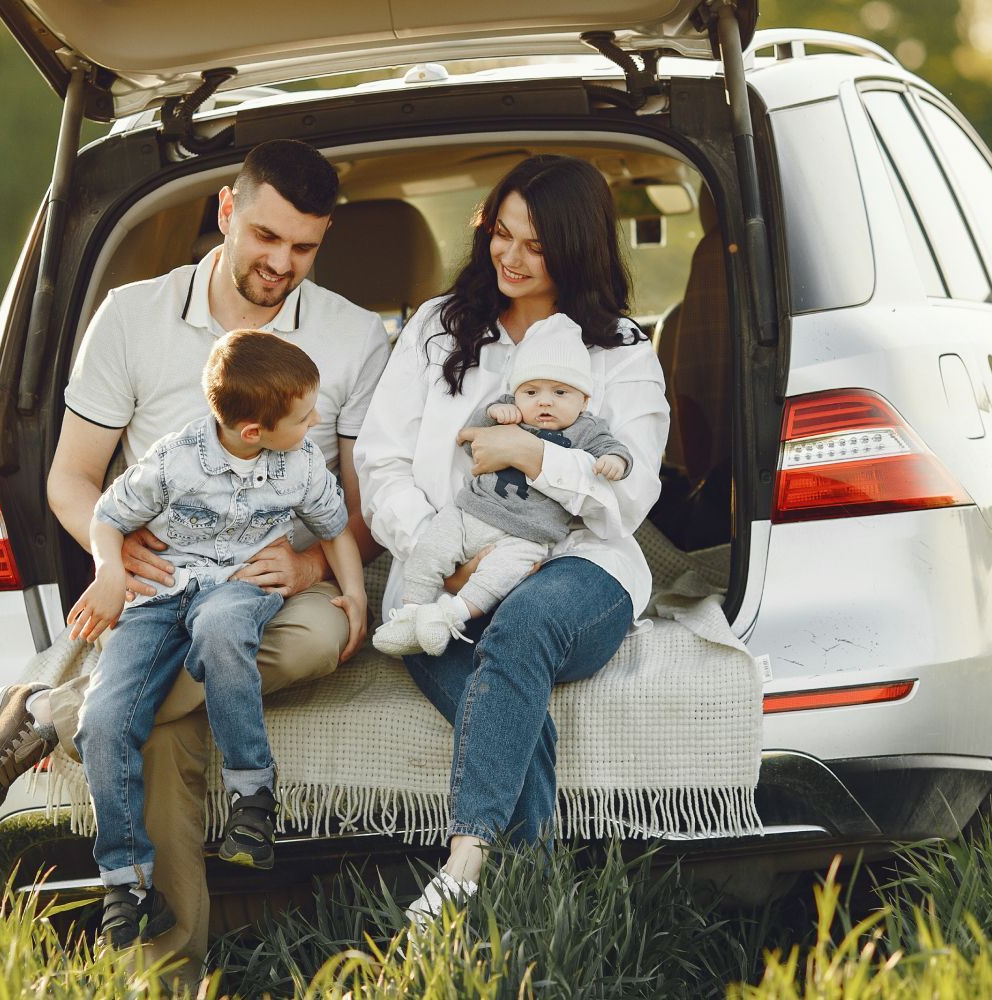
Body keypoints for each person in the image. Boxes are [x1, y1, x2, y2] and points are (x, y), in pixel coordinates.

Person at [0, 139, 388, 964]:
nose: (281, 264)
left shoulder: (356, 338)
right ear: (226, 209)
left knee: (318, 638)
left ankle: (53, 712)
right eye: (265, 236)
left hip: (274, 583)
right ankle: (166, 974)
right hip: (163, 578)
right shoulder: (131, 316)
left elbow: (359, 510)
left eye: (304, 248)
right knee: (159, 733)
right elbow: (71, 480)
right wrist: (114, 561)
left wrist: (311, 567)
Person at [354, 154, 667, 918]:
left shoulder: (621, 349)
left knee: (522, 625)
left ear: (576, 248)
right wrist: (445, 549)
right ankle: (528, 916)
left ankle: (464, 859)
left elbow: (629, 498)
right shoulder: (437, 328)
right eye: (501, 234)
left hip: (580, 568)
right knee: (498, 698)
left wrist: (535, 457)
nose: (510, 257)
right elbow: (379, 461)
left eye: (534, 243)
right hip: (440, 573)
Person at [63, 330, 368, 945]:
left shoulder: (301, 464)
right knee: (103, 720)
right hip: (161, 592)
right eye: (305, 416)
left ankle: (251, 799)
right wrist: (110, 571)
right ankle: (126, 883)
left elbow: (334, 527)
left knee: (222, 629)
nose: (315, 423)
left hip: (238, 582)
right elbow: (108, 516)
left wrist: (355, 594)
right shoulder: (177, 458)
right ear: (252, 431)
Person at [371, 314, 633, 657]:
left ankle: (450, 615)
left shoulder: (586, 430)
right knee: (431, 547)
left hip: (527, 535)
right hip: (471, 512)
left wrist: (614, 463)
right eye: (531, 391)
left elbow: (617, 452)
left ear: (583, 400)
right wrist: (494, 416)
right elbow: (469, 442)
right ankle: (411, 612)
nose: (544, 401)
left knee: (500, 576)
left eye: (560, 392)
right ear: (516, 392)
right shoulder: (507, 411)